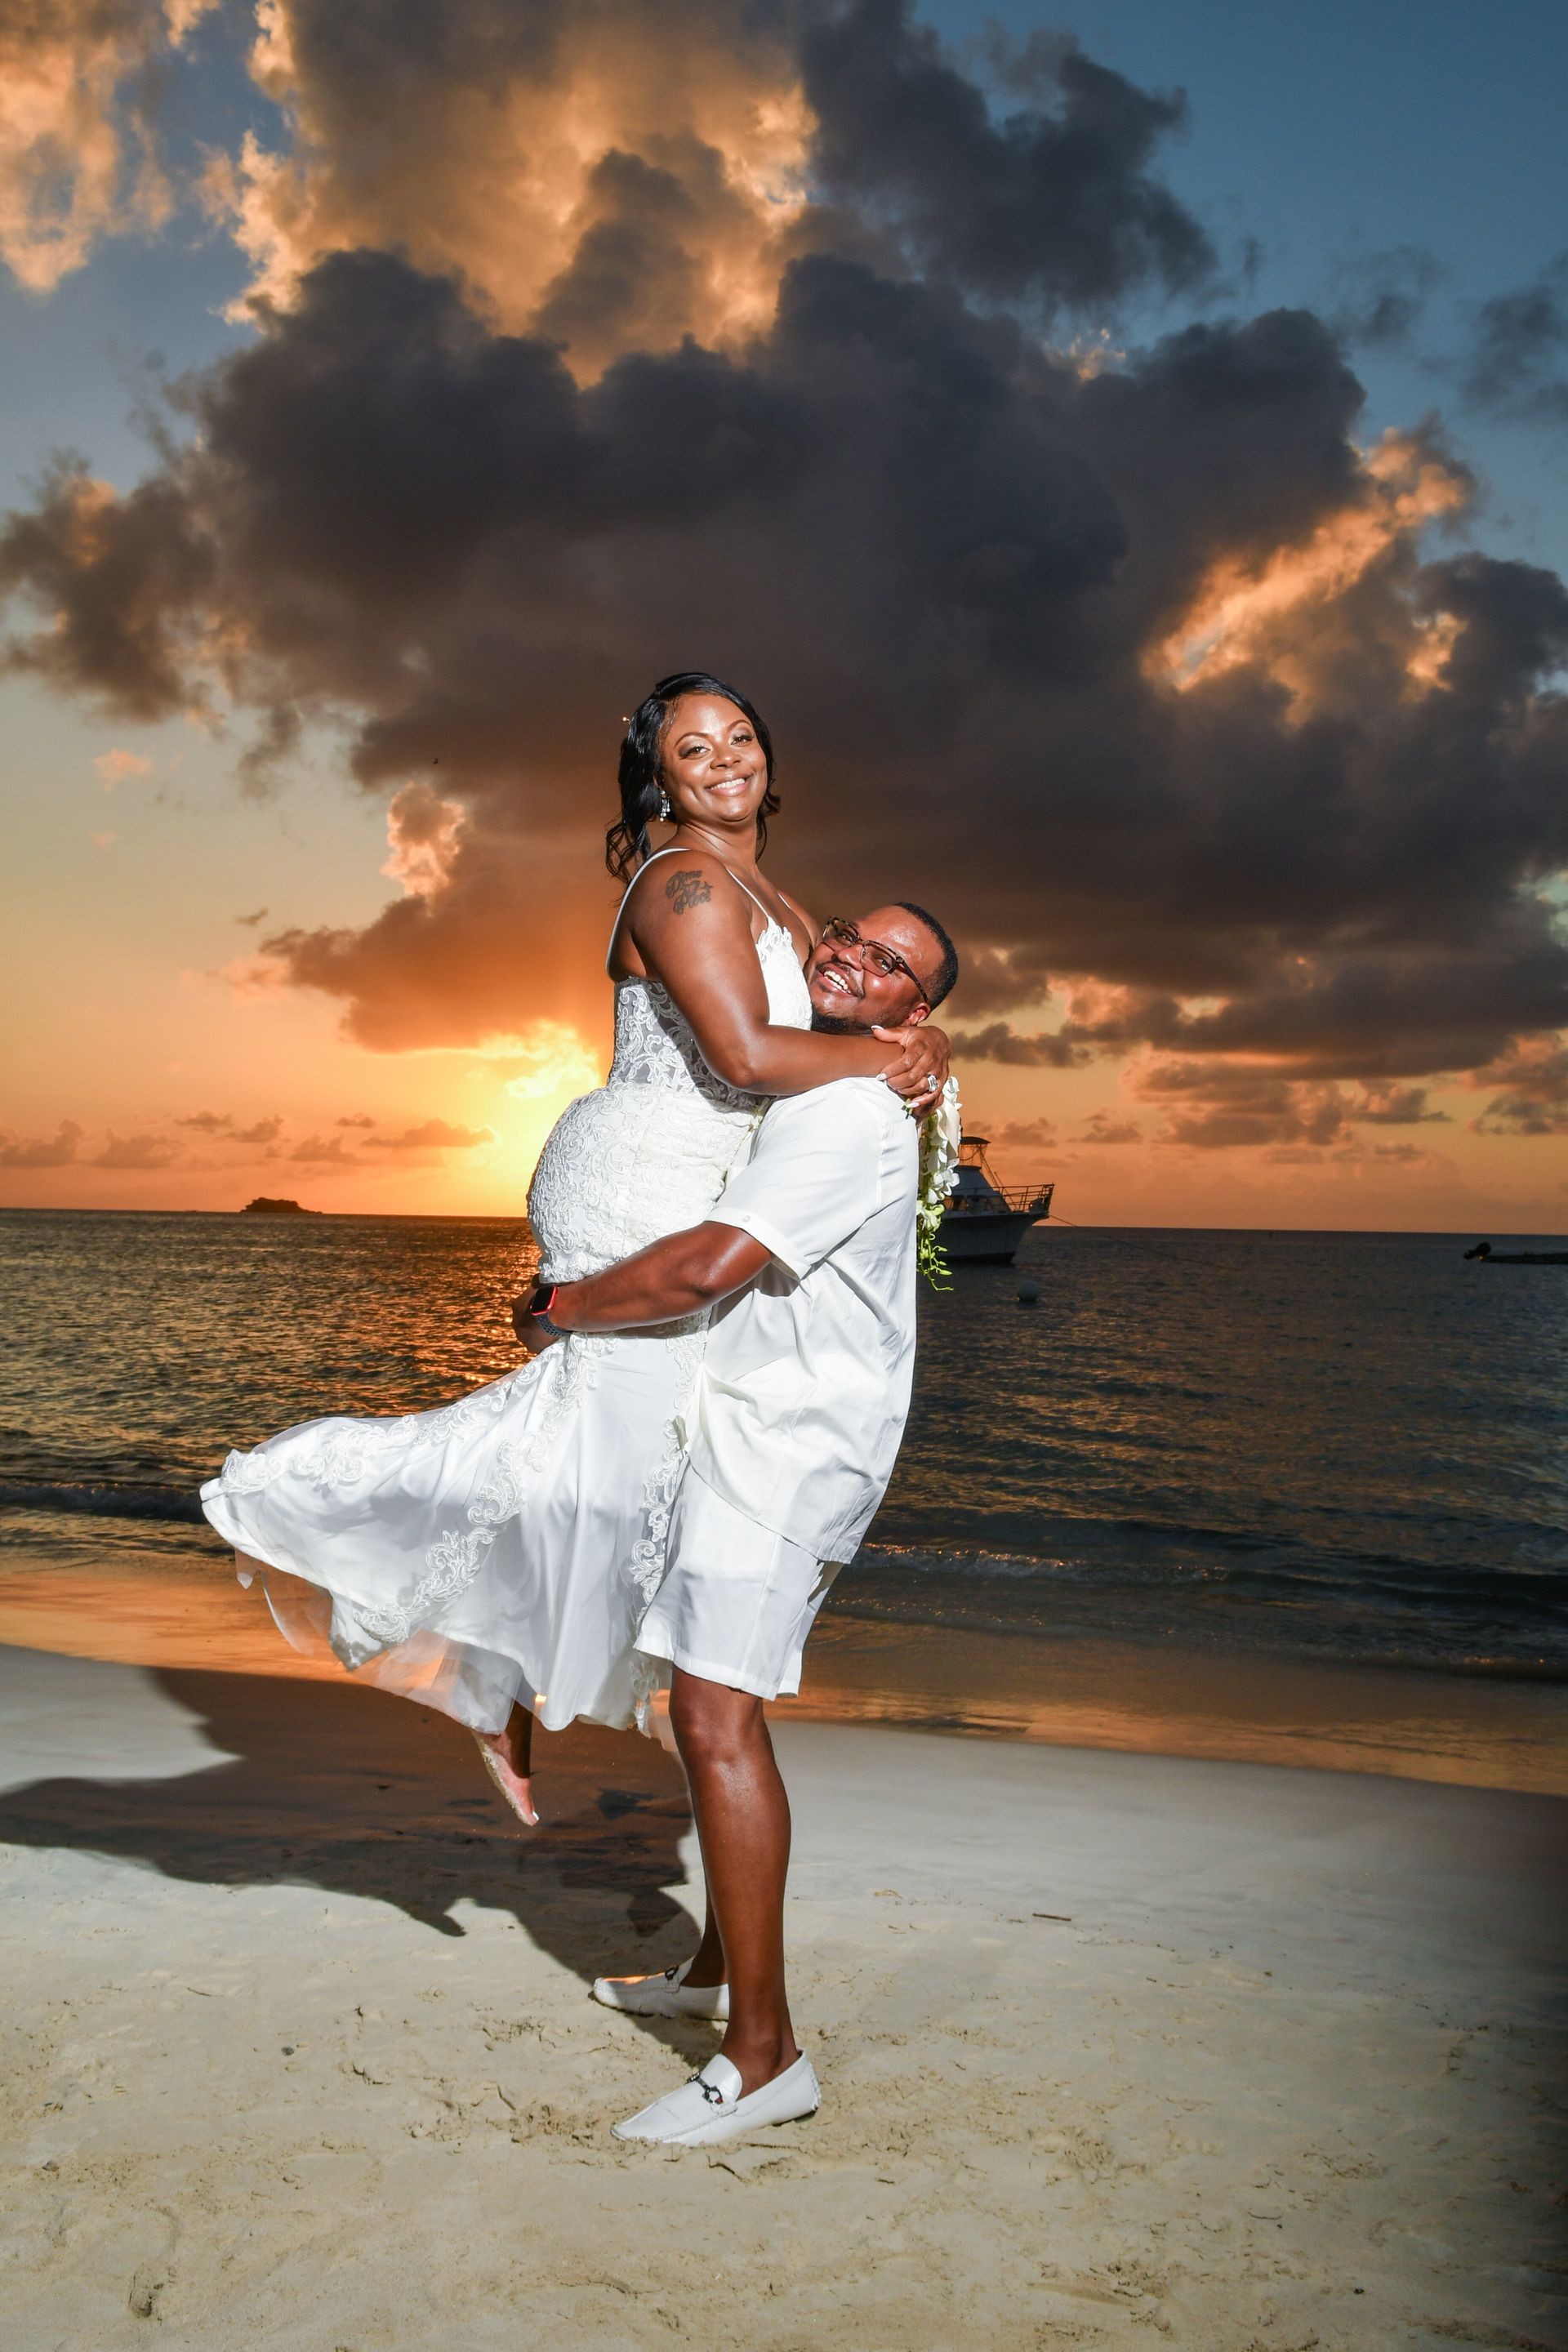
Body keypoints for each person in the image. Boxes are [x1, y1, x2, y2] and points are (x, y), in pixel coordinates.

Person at [199, 675, 948, 1823]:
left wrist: (917, 1040)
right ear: (661, 778)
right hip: (646, 1169)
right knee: (615, 1442)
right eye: (694, 749)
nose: (726, 759)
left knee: (631, 1458)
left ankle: (493, 1672)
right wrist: (889, 1067)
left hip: (702, 1175)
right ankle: (342, 1533)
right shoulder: (684, 879)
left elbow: (838, 1013)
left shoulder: (787, 905)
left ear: (770, 757)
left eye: (740, 736)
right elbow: (748, 1057)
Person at [510, 900, 960, 2146]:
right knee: (701, 1705)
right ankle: (714, 1969)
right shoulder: (819, 1082)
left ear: (916, 1014)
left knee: (714, 1715)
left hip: (791, 1450)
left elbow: (710, 1263)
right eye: (850, 937)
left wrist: (563, 1304)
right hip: (752, 1422)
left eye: (889, 965)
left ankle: (765, 2062)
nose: (850, 959)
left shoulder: (849, 1110)